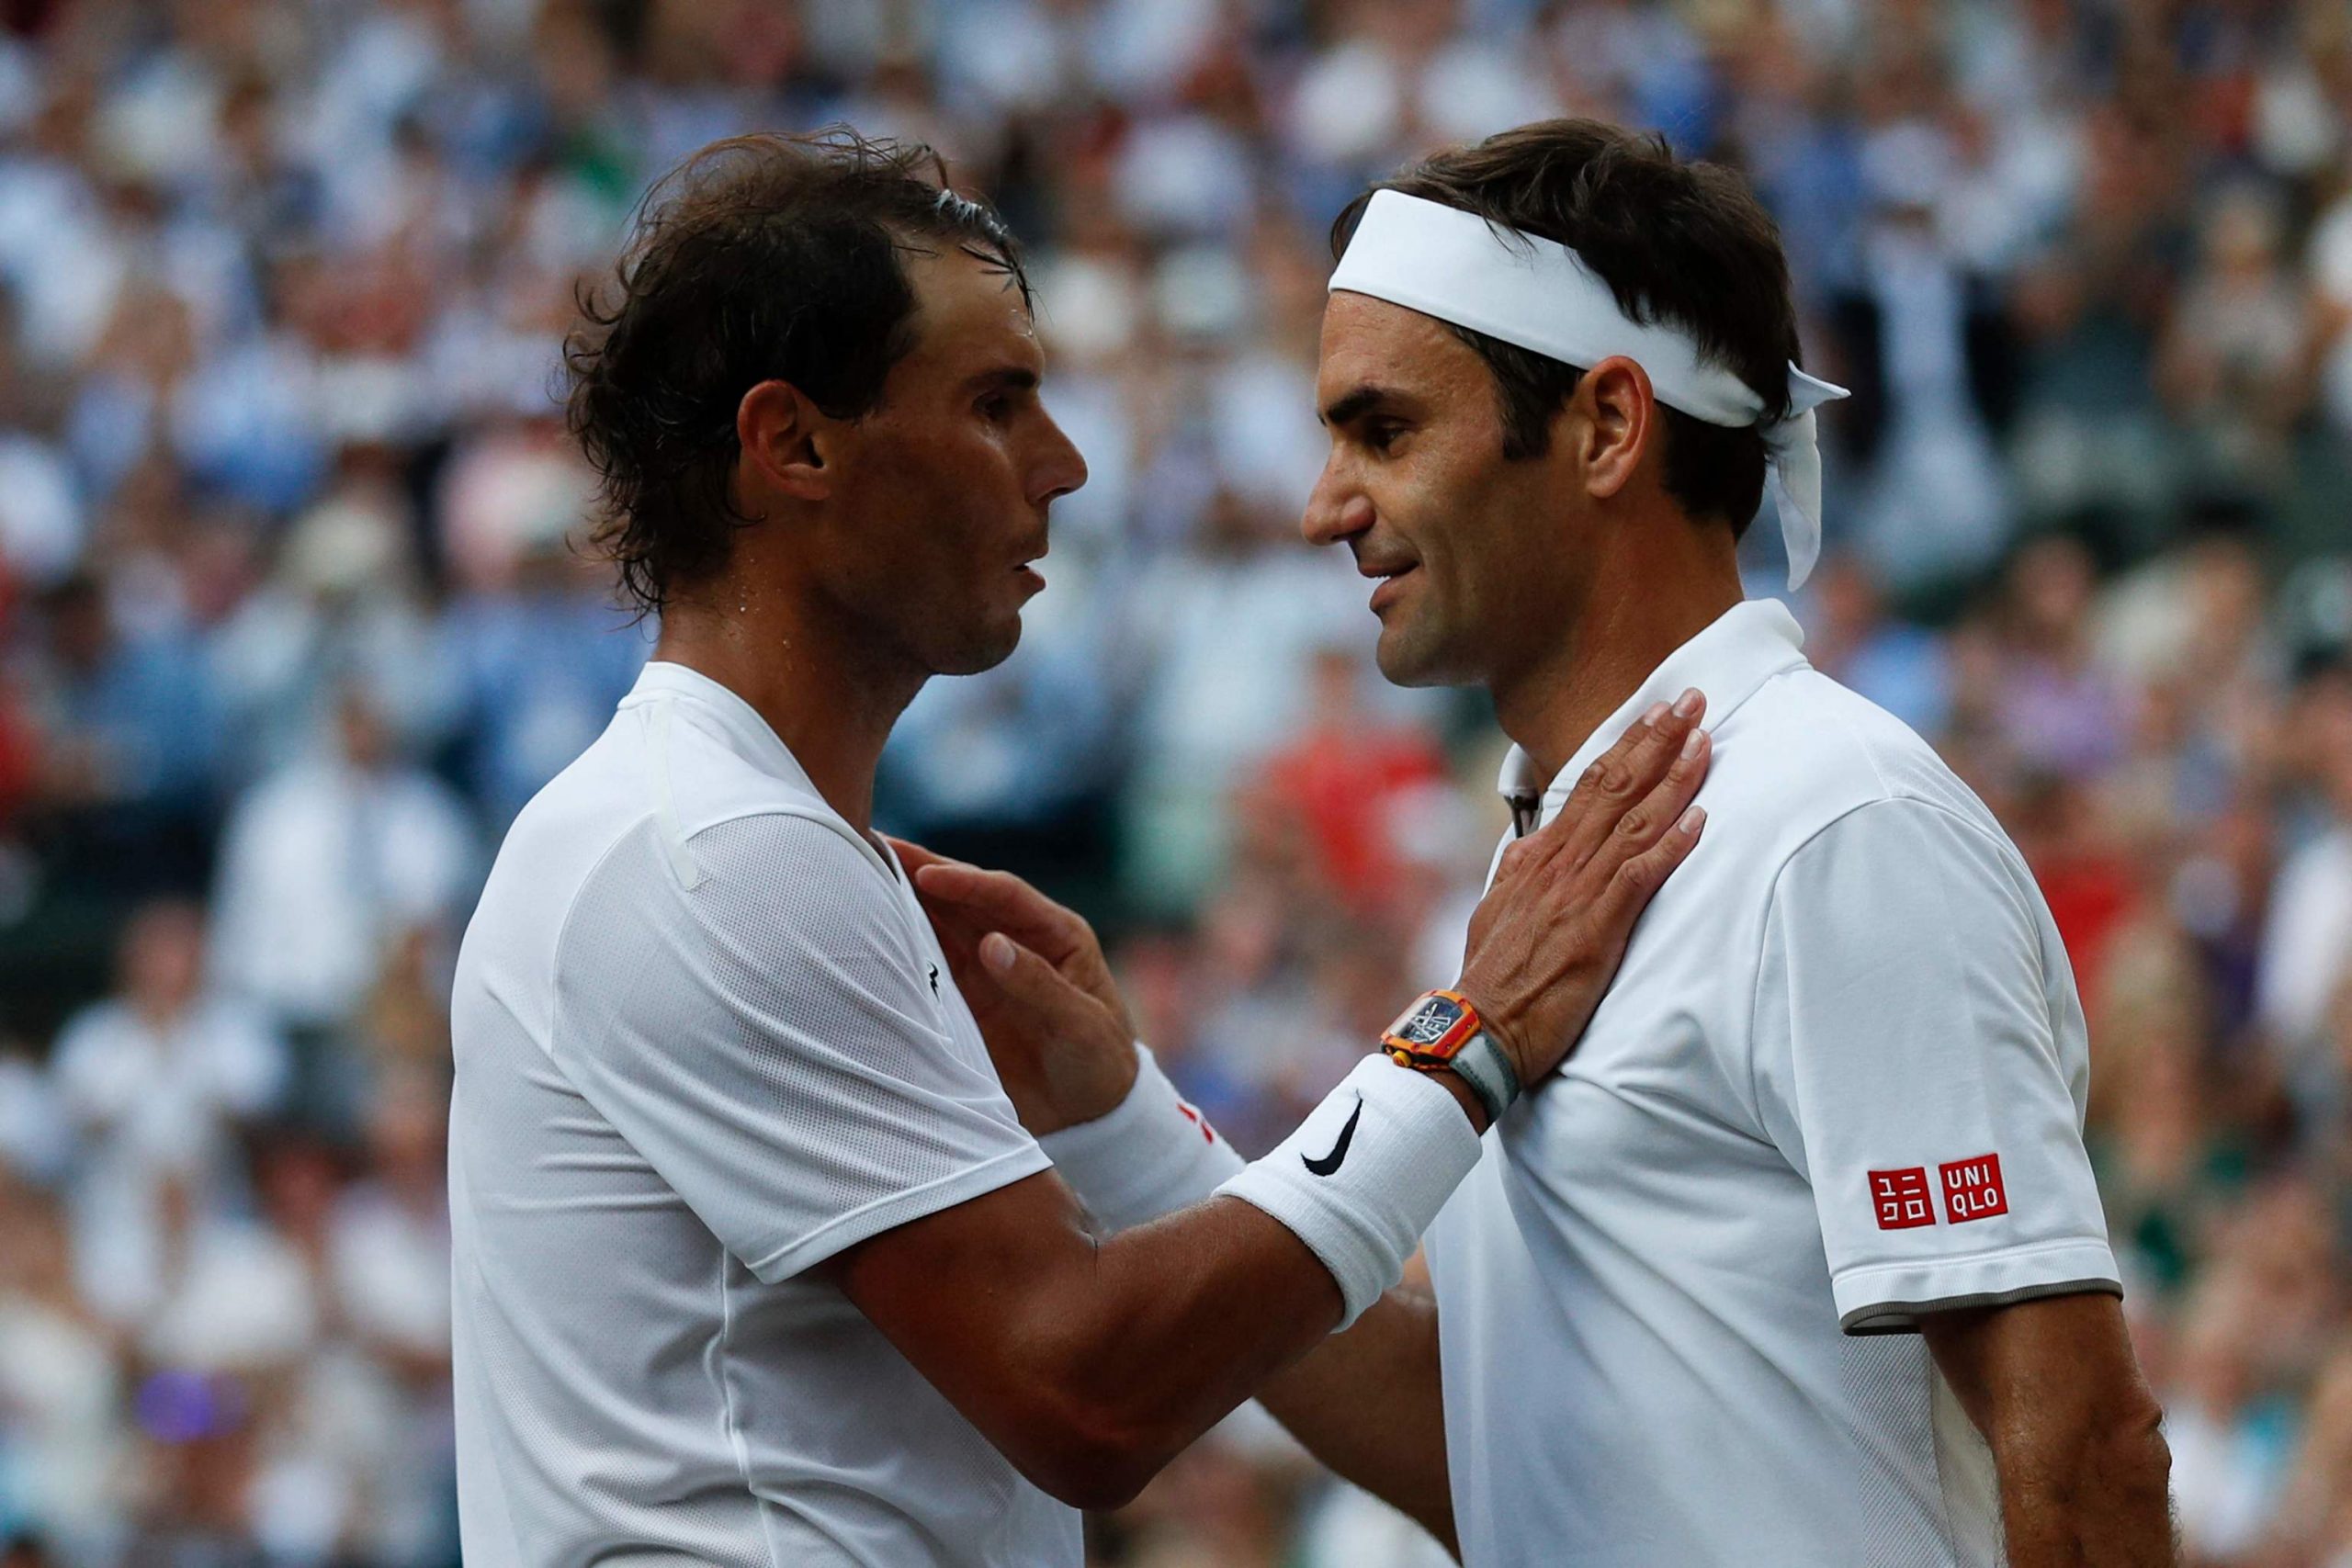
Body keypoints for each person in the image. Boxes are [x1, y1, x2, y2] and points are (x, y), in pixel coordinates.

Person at [913, 120, 2176, 1565]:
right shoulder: (1561, 854)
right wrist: (1123, 1118)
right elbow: (1497, 1461)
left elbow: (2080, 1445)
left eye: (1382, 431)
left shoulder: (1835, 825)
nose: (1324, 506)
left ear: (1609, 429)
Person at [445, 130, 1712, 1566]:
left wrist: (1120, 1118)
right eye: (997, 404)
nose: (1062, 465)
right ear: (791, 442)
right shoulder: (707, 849)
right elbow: (1090, 1396)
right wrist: (1467, 1037)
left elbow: (1428, 1446)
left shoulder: (735, 835)